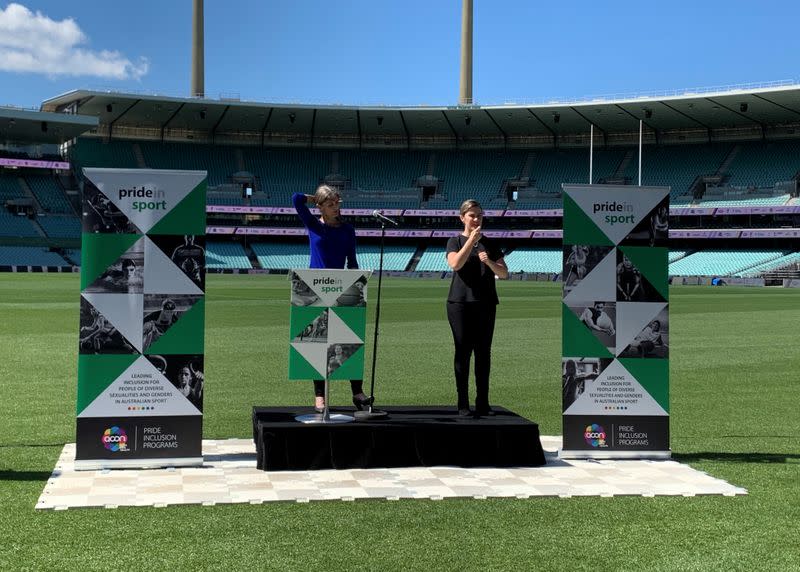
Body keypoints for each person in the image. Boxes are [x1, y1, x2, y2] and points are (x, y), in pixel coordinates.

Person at [292, 185, 372, 413]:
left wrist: (358, 283)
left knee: (349, 339)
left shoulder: (348, 230)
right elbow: (296, 199)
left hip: (342, 287)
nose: (336, 208)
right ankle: (320, 396)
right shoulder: (314, 225)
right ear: (320, 206)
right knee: (317, 342)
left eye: (337, 203)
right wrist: (314, 196)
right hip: (313, 288)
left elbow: (352, 261)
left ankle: (357, 392)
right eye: (330, 204)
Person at [445, 198, 508, 417]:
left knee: (484, 354)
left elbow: (504, 273)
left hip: (486, 303)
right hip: (459, 304)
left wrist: (489, 262)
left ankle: (483, 402)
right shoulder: (454, 241)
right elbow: (455, 264)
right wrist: (471, 240)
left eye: (479, 215)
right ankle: (462, 403)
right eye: (472, 215)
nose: (476, 218)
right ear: (462, 217)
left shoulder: (490, 244)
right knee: (463, 353)